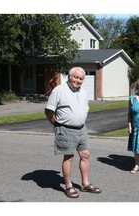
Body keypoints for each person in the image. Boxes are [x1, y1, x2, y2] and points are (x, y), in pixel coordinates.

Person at [45, 67, 101, 198]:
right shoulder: (59, 90)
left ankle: (85, 184)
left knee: (85, 154)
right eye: (76, 77)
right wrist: (56, 125)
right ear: (69, 77)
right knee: (68, 157)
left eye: (81, 78)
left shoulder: (82, 91)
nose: (78, 80)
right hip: (65, 129)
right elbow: (48, 111)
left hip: (81, 128)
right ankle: (69, 186)